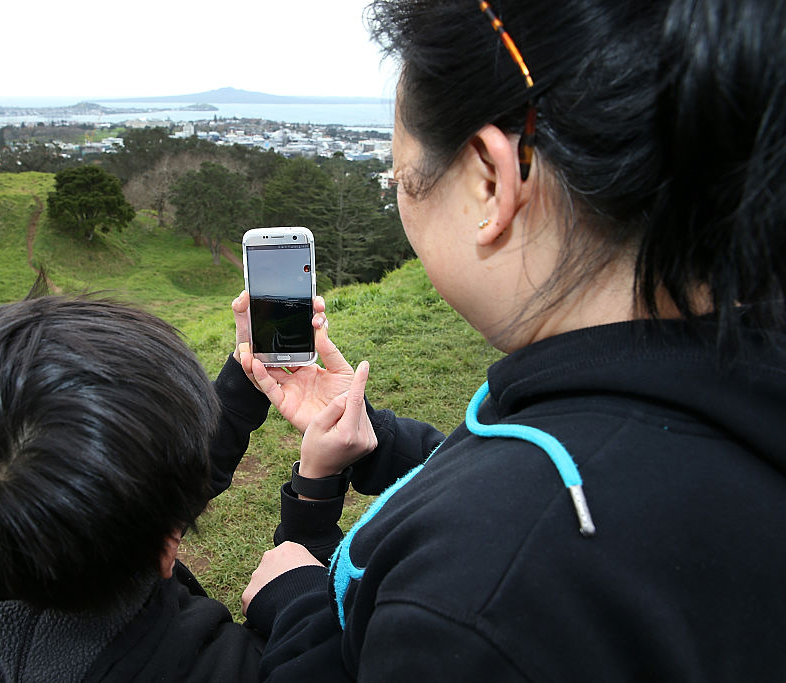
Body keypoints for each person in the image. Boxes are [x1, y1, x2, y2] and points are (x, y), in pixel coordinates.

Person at [236, 0, 786, 680]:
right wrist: (377, 444)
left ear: (490, 179)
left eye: (399, 180)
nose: (402, 200)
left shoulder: (474, 600)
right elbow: (566, 459)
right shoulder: (711, 374)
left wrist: (296, 599)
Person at [0, 295, 272, 682]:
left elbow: (134, 486)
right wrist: (307, 524)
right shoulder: (216, 666)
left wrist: (244, 382)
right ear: (168, 550)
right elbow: (307, 659)